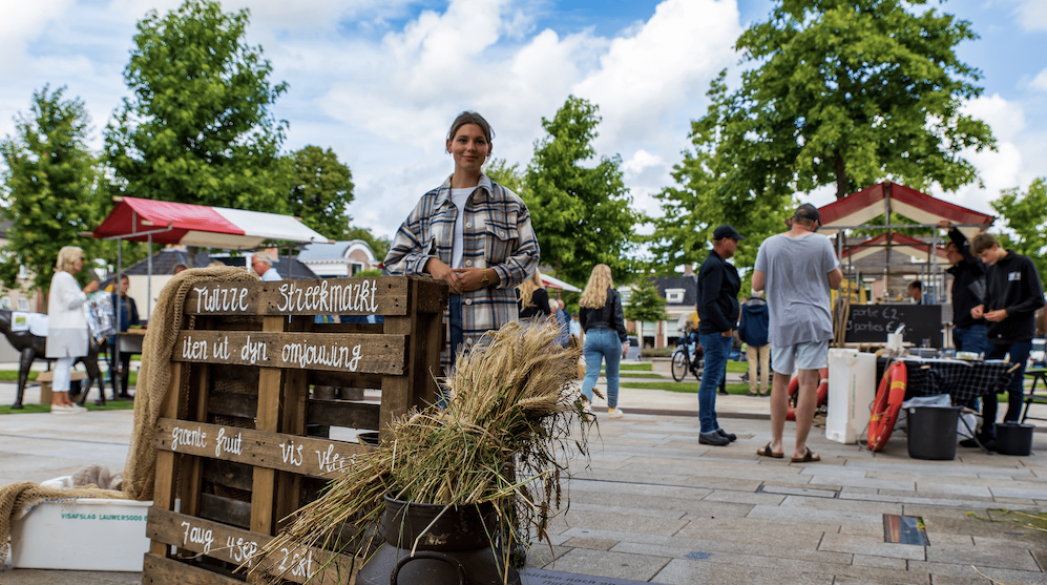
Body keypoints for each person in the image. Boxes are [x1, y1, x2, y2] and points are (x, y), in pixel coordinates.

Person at [385, 111, 539, 382]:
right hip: (437, 326)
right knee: (440, 410)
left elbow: (529, 256)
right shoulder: (428, 204)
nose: (470, 148)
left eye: (479, 141)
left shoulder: (509, 203)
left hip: (491, 329)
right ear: (449, 145)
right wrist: (431, 264)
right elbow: (394, 260)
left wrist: (488, 275)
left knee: (488, 415)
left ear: (488, 149)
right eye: (462, 140)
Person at [753, 204, 842, 462]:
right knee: (807, 382)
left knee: (780, 380)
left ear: (792, 220)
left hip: (782, 320)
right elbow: (836, 282)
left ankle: (777, 444)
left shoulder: (769, 244)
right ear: (814, 223)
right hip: (814, 320)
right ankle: (800, 449)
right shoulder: (822, 243)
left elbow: (757, 285)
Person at [967, 233, 1045, 449]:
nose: (984, 260)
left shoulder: (1023, 263)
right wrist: (982, 308)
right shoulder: (991, 269)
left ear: (995, 246)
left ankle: (1010, 431)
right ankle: (987, 431)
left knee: (1015, 381)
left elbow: (1037, 298)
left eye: (985, 255)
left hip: (1020, 332)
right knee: (988, 381)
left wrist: (1008, 312)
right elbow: (989, 298)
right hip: (995, 333)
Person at [695, 225, 744, 446]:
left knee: (712, 381)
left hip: (717, 331)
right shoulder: (714, 266)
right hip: (716, 332)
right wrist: (726, 327)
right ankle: (706, 428)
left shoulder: (715, 264)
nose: (737, 245)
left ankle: (712, 425)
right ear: (724, 241)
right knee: (709, 381)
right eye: (735, 240)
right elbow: (709, 302)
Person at [46, 246, 99, 414]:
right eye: (80, 258)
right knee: (63, 363)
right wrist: (87, 291)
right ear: (71, 259)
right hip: (66, 326)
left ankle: (65, 400)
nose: (82, 262)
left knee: (66, 363)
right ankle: (57, 402)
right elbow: (71, 302)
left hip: (68, 326)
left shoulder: (66, 278)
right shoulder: (63, 277)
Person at [578, 264, 628, 418]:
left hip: (591, 336)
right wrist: (624, 339)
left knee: (591, 374)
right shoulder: (613, 295)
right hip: (611, 336)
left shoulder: (586, 297)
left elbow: (582, 319)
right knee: (612, 375)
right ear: (608, 276)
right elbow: (618, 319)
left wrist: (590, 332)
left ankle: (586, 406)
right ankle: (612, 410)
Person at [939, 220, 990, 356]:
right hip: (961, 327)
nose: (948, 255)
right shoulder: (959, 272)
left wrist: (952, 230)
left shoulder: (975, 267)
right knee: (962, 367)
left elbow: (967, 249)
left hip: (974, 327)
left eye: (952, 252)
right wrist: (956, 324)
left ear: (962, 253)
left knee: (970, 368)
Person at [108, 274, 139, 400]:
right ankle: (114, 391)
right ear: (116, 285)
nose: (126, 286)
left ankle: (124, 391)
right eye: (123, 283)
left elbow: (135, 318)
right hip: (115, 338)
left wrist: (135, 328)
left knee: (126, 364)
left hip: (127, 338)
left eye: (127, 284)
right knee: (114, 364)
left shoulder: (129, 301)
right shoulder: (111, 299)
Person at [738, 290, 770, 397]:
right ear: (761, 294)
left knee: (752, 364)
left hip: (750, 338)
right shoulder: (766, 306)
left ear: (751, 294)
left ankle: (753, 390)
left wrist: (743, 337)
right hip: (765, 338)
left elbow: (742, 324)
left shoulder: (746, 307)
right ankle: (763, 390)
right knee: (764, 363)